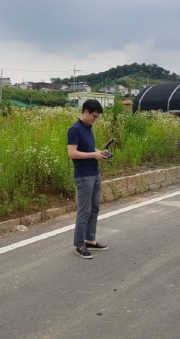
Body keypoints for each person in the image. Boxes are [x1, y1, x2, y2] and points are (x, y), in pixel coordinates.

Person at [67, 99, 110, 259]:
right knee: (84, 212)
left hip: (95, 173)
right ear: (85, 112)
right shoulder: (75, 129)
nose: (95, 119)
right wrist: (94, 155)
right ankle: (79, 245)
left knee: (94, 209)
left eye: (97, 117)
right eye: (94, 116)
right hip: (84, 176)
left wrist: (100, 153)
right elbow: (72, 153)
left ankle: (90, 240)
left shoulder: (89, 128)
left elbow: (90, 149)